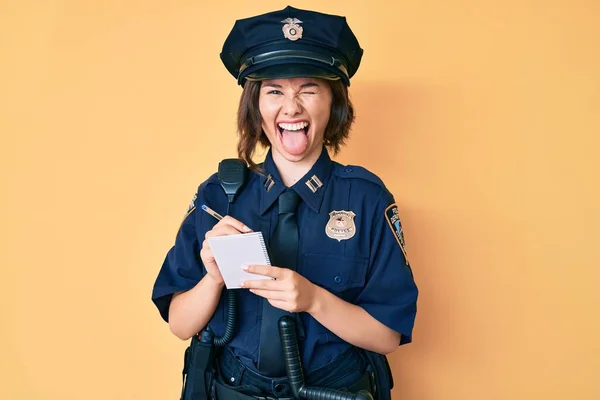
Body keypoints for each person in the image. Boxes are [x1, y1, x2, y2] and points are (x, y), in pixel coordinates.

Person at [152, 5, 418, 400]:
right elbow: (180, 324)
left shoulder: (366, 199)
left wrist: (314, 300)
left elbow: (387, 336)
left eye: (308, 89)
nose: (291, 107)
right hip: (234, 390)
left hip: (335, 390)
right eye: (274, 91)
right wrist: (212, 277)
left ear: (334, 102)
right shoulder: (218, 196)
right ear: (256, 108)